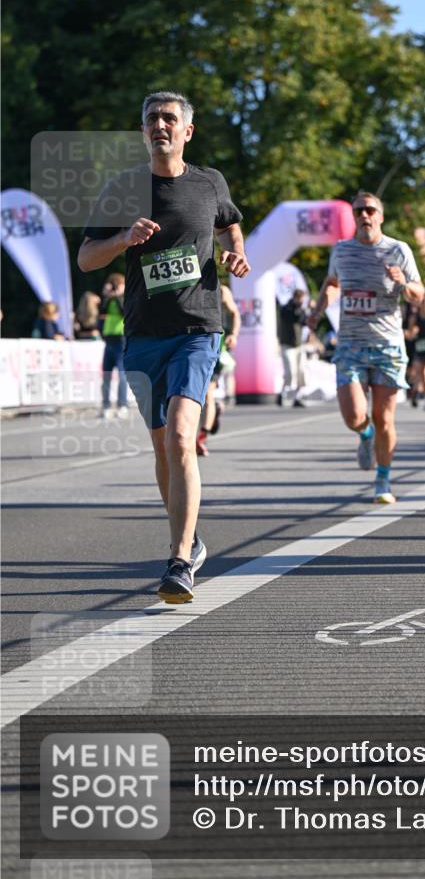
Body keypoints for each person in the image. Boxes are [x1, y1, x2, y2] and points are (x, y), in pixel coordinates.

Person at [78, 90, 250, 604]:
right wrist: (124, 240)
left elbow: (231, 225)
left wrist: (235, 253)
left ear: (187, 131)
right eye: (152, 117)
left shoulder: (209, 182)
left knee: (180, 437)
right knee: (162, 448)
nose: (161, 125)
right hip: (143, 337)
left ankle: (178, 561)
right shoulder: (123, 188)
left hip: (198, 328)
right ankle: (191, 538)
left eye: (170, 118)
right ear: (143, 131)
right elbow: (87, 258)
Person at [308, 191, 424, 504]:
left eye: (371, 210)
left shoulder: (398, 250)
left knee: (385, 418)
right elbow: (332, 283)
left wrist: (403, 283)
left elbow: (419, 294)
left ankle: (383, 480)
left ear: (381, 216)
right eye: (359, 211)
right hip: (351, 346)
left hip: (387, 346)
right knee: (354, 415)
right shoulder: (342, 251)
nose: (365, 216)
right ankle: (365, 435)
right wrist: (317, 312)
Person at [196, 282, 240, 456]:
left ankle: (201, 436)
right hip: (190, 346)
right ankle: (214, 410)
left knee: (207, 392)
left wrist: (234, 334)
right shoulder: (184, 281)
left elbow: (235, 312)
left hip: (215, 348)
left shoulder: (220, 289)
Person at [99, 273, 129, 419]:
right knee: (106, 374)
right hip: (109, 339)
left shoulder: (124, 299)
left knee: (121, 374)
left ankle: (122, 404)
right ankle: (105, 405)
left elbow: (124, 311)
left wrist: (117, 296)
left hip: (120, 338)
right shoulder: (108, 301)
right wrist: (106, 296)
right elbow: (101, 311)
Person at [278, 289, 308, 408]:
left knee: (302, 372)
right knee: (290, 372)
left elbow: (305, 321)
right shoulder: (286, 309)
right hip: (287, 345)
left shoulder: (301, 310)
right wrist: (301, 309)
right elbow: (294, 317)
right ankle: (282, 394)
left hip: (299, 345)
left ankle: (297, 397)